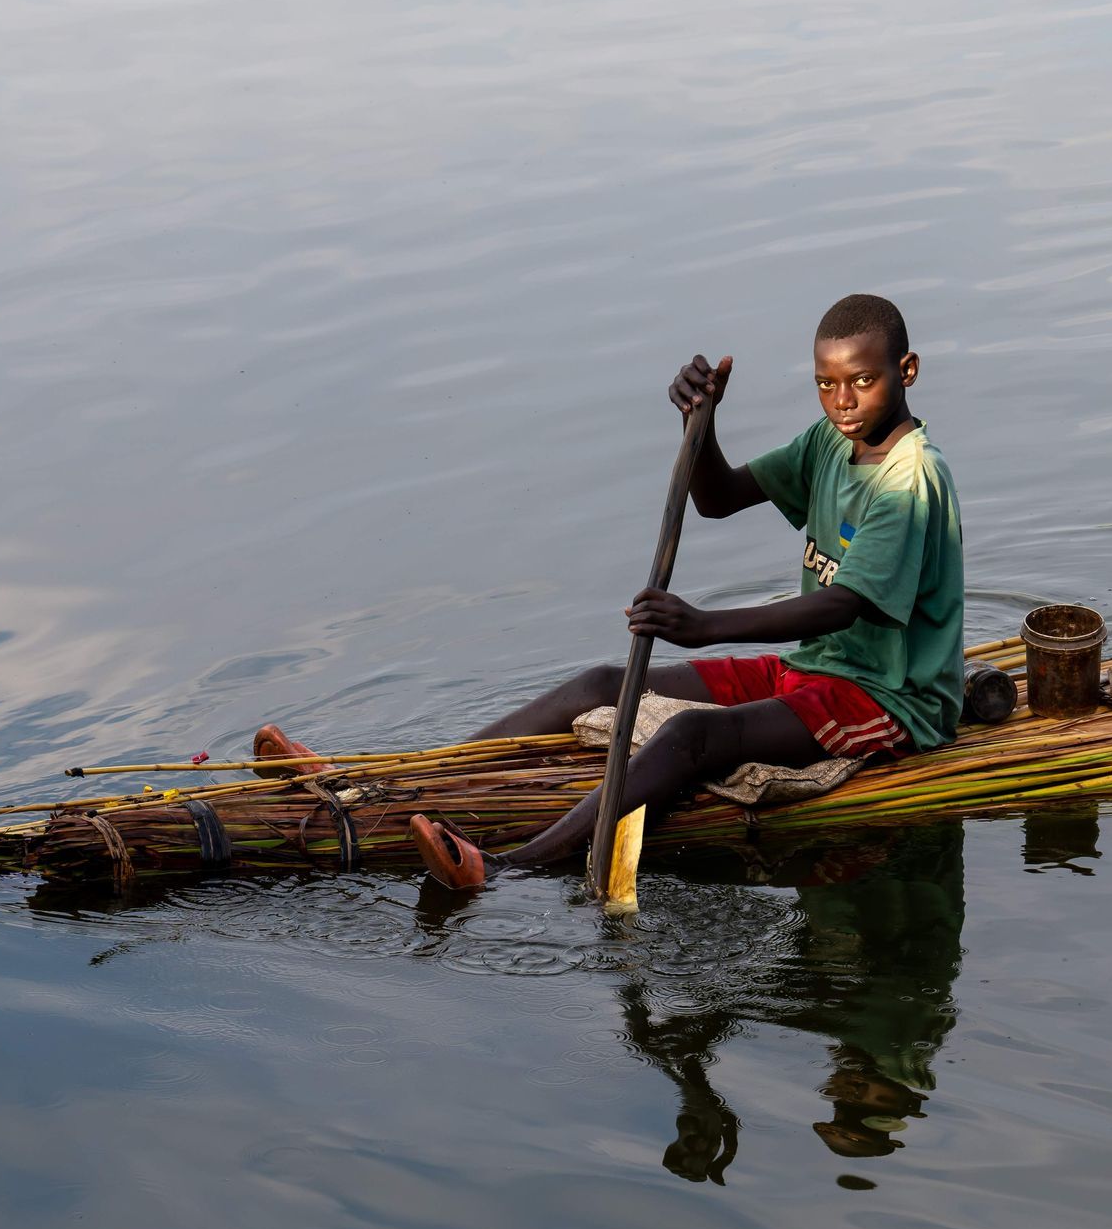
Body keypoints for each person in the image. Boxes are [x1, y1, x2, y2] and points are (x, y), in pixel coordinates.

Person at [286, 292, 963, 888]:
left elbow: (846, 603)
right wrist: (700, 422)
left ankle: (507, 868)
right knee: (599, 684)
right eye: (825, 384)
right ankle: (396, 782)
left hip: (886, 697)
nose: (843, 400)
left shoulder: (909, 480)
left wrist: (704, 626)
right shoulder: (830, 441)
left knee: (691, 736)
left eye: (863, 381)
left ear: (906, 371)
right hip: (813, 668)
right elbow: (719, 497)